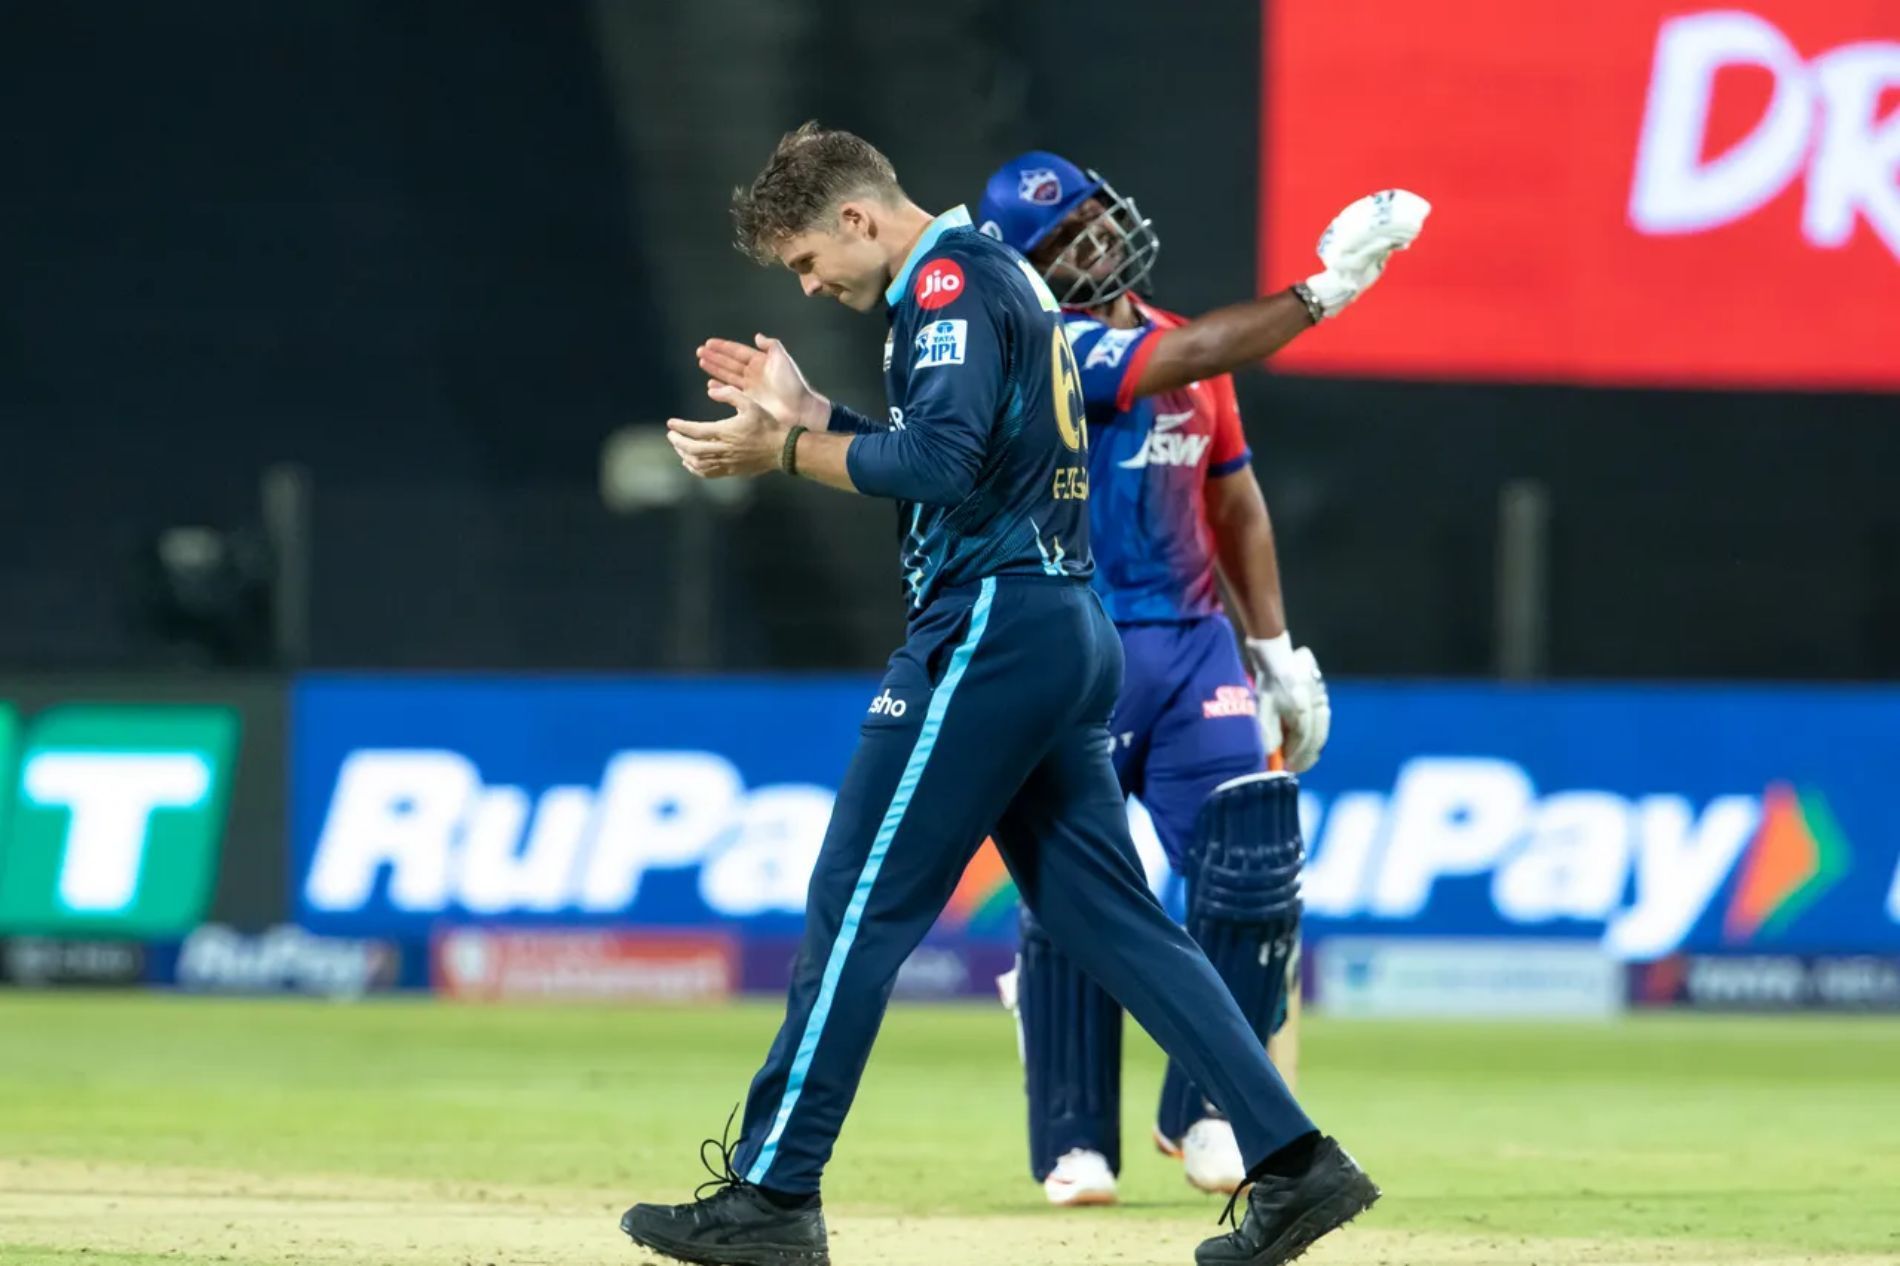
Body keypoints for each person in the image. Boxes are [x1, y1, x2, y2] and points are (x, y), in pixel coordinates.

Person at [620, 121, 1382, 1266]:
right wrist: (813, 417)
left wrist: (776, 456)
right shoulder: (992, 277)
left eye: (804, 261)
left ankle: (773, 1199)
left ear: (856, 218)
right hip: (1064, 626)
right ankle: (1295, 1164)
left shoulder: (942, 283)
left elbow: (933, 470)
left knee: (858, 904)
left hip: (992, 628)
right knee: (1109, 918)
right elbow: (965, 462)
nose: (812, 284)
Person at [971, 152, 1430, 1205]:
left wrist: (1275, 654)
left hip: (1190, 650)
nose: (1091, 241)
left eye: (1094, 216)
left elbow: (1235, 504)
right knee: (1081, 891)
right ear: (1022, 266)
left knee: (1256, 864)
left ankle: (1213, 1110)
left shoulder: (1191, 347)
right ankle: (1075, 1138)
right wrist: (1323, 292)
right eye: (1062, 236)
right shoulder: (1037, 347)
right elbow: (1184, 353)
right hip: (1076, 647)